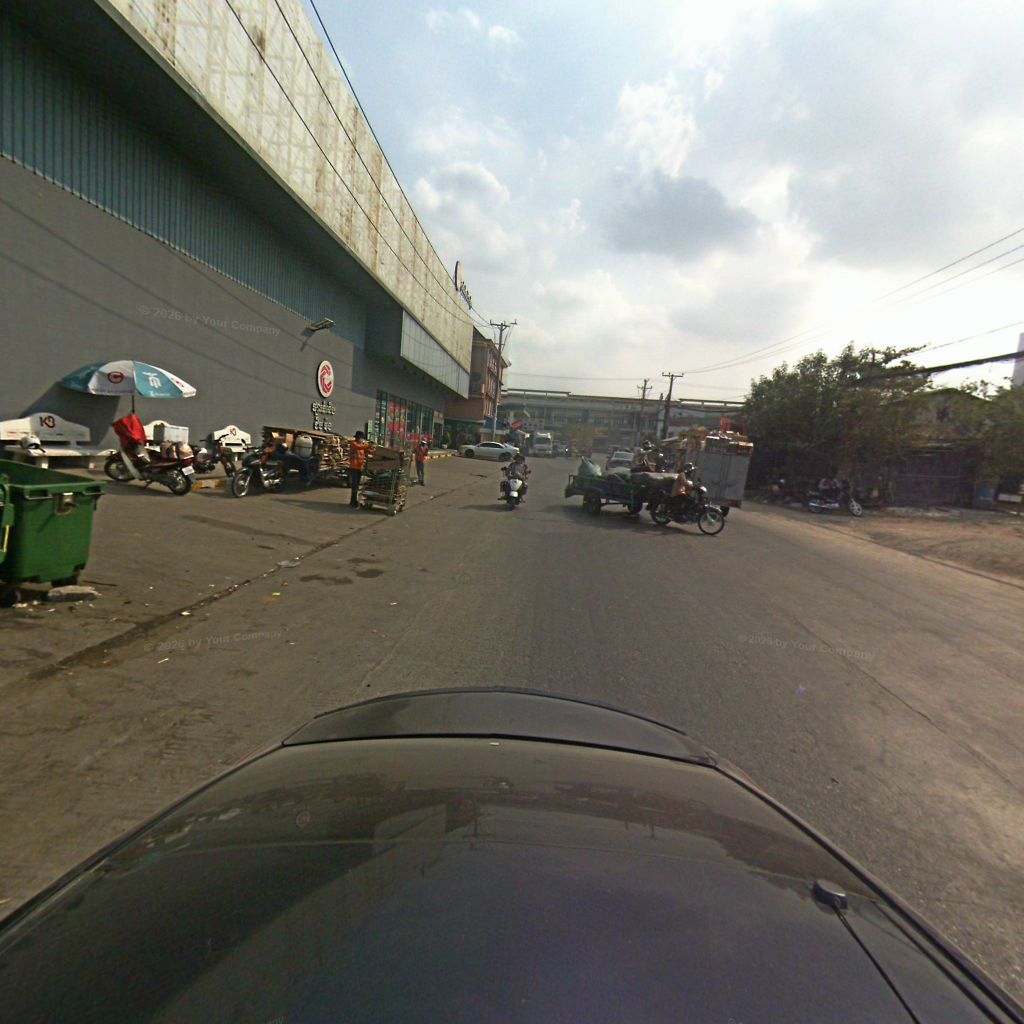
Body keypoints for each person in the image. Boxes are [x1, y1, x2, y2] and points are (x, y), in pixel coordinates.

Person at [348, 430, 372, 507]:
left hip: (359, 467)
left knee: (357, 484)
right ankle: (353, 501)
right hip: (354, 467)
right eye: (361, 437)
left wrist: (372, 448)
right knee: (355, 484)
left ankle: (354, 500)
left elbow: (368, 451)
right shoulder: (353, 443)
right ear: (357, 437)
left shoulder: (362, 445)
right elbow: (359, 447)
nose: (362, 439)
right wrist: (368, 445)